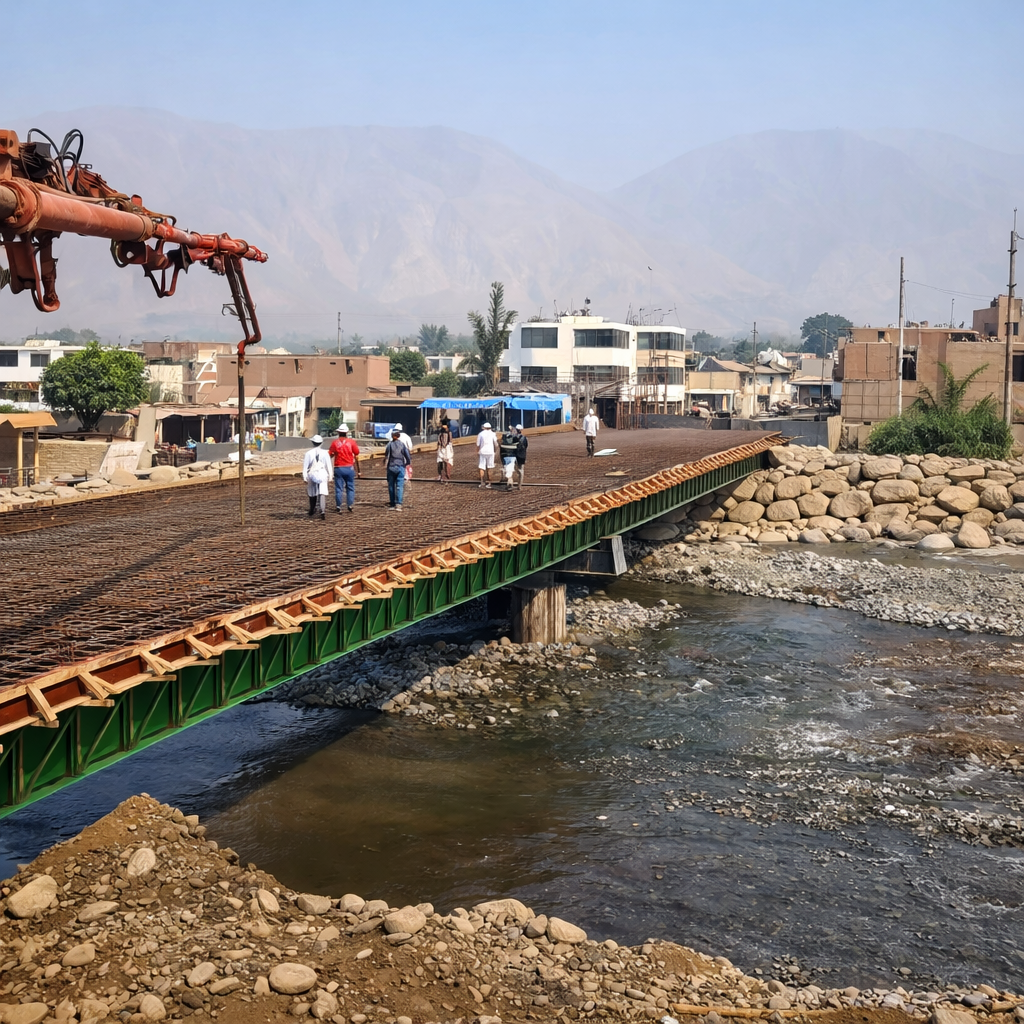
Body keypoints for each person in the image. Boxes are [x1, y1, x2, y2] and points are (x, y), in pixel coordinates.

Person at [328, 424, 361, 513]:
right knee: (350, 487)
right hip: (349, 467)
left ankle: (338, 506)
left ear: (338, 432)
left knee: (339, 488)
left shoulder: (335, 443)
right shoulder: (351, 442)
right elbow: (357, 452)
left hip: (338, 467)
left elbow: (330, 454)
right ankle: (349, 505)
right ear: (346, 433)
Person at [301, 434, 332, 520]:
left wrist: (304, 476)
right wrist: (330, 476)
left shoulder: (308, 453)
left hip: (312, 473)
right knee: (322, 492)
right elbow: (328, 465)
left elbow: (305, 467)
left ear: (313, 442)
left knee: (312, 492)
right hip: (322, 473)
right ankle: (322, 510)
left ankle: (312, 509)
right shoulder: (325, 453)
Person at [384, 426, 411, 510]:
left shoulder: (389, 445)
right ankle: (398, 504)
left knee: (391, 486)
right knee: (399, 485)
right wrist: (407, 463)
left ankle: (392, 503)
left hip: (391, 466)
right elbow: (407, 456)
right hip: (400, 466)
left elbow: (386, 455)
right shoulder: (402, 445)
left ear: (392, 435)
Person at [476, 420, 497, 488]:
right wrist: (495, 451)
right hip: (490, 452)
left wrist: (477, 451)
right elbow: (496, 444)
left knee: (482, 466)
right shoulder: (493, 434)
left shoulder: (481, 434)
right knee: (490, 467)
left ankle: (482, 482)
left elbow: (478, 444)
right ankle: (490, 483)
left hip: (482, 452)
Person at [499, 425, 518, 490]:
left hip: (505, 455)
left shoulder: (504, 438)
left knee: (508, 469)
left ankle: (509, 483)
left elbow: (501, 449)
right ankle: (510, 483)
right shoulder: (515, 437)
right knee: (510, 470)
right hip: (512, 455)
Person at [512, 423, 528, 488]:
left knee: (515, 468)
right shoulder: (524, 438)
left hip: (515, 454)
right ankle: (520, 484)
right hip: (522, 455)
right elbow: (526, 446)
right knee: (521, 469)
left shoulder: (513, 437)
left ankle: (513, 482)